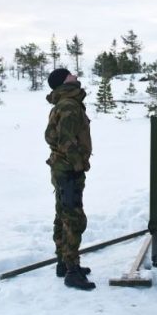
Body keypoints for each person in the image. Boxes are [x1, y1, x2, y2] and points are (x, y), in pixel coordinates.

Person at [45, 67, 96, 290]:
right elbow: (66, 140)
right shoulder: (68, 105)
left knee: (63, 215)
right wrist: (77, 165)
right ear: (64, 81)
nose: (75, 75)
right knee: (73, 219)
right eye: (70, 75)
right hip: (68, 170)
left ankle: (63, 263)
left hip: (62, 168)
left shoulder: (66, 103)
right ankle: (72, 271)